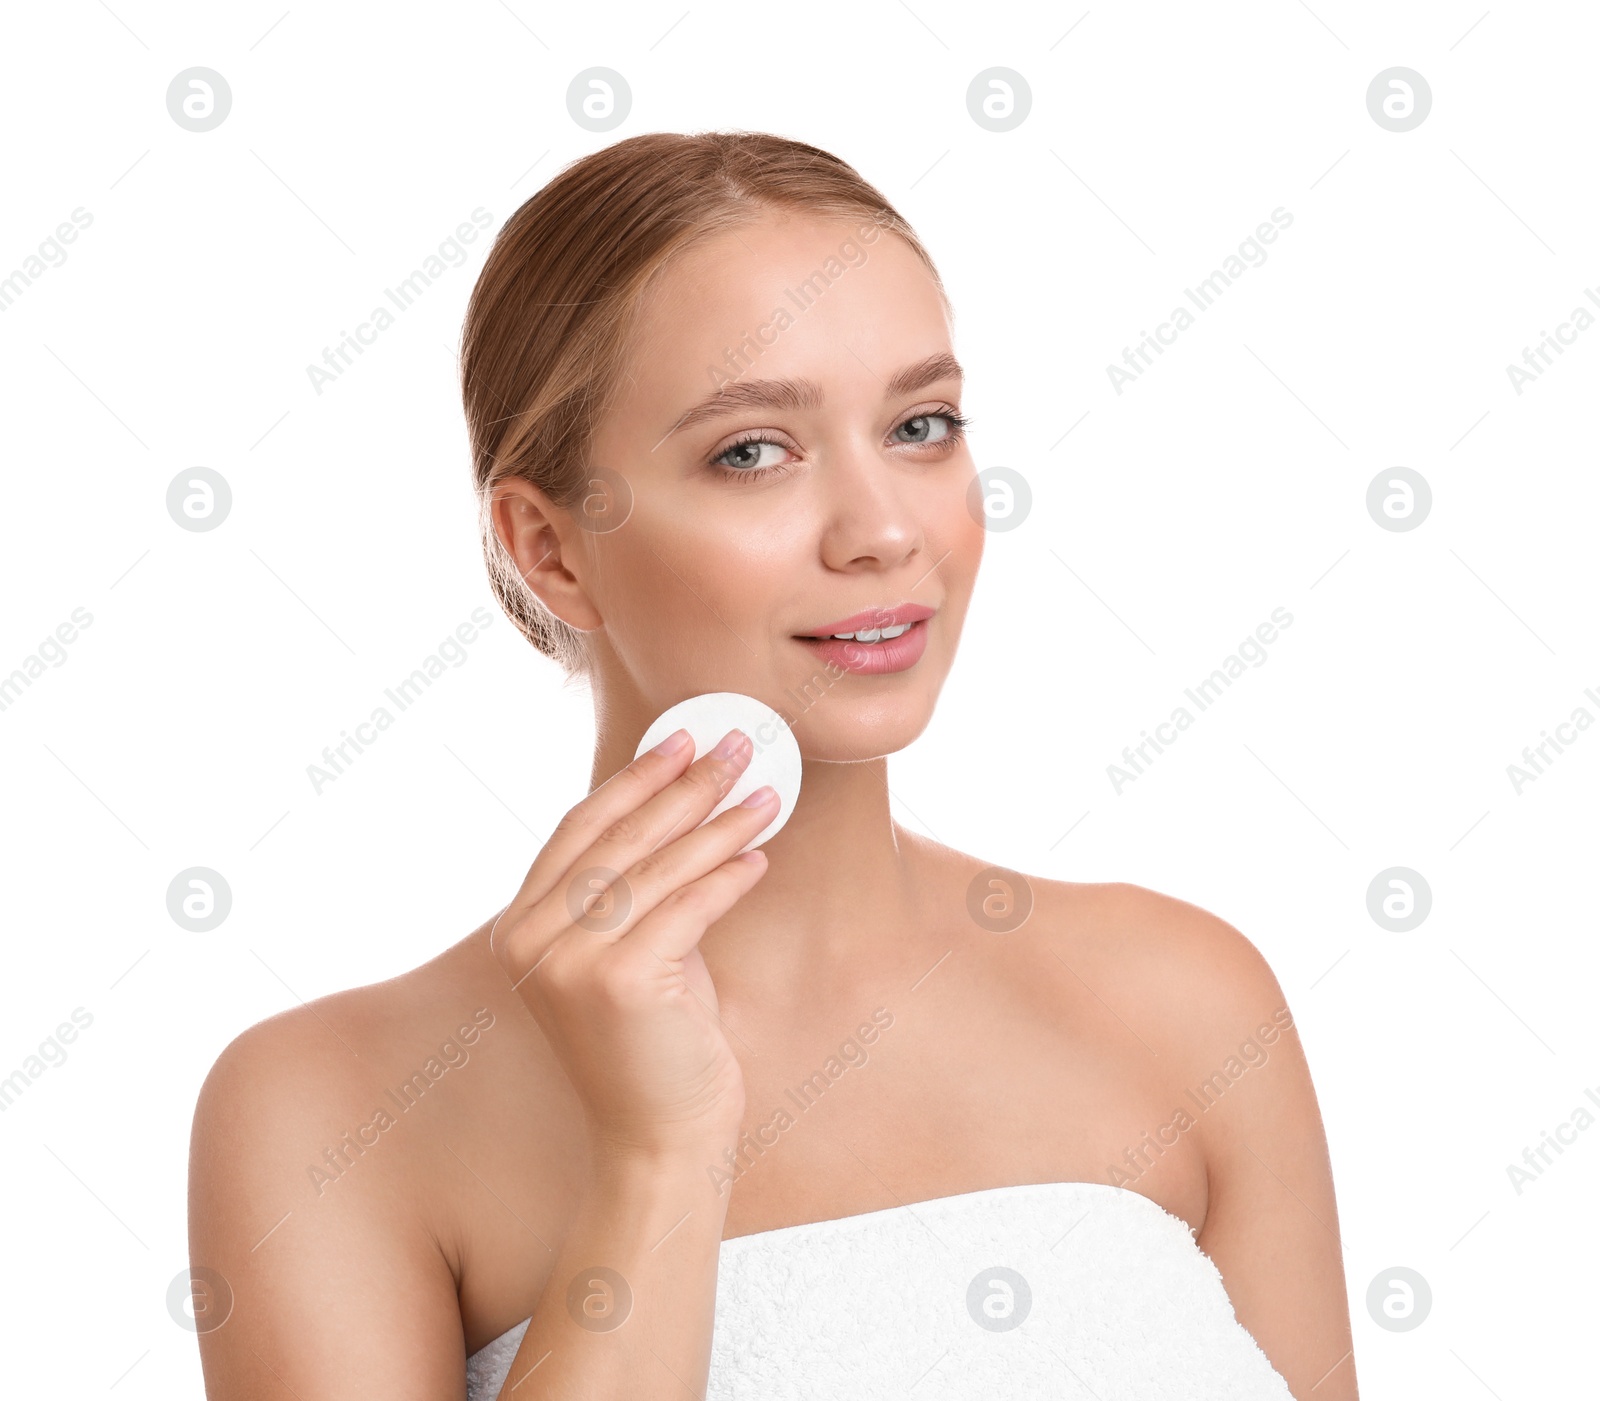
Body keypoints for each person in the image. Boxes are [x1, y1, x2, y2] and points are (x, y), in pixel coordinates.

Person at [188, 130, 1357, 1400]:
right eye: (752, 451)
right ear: (550, 548)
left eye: (921, 427)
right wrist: (659, 1154)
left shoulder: (1184, 1003)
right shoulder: (328, 1115)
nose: (884, 531)